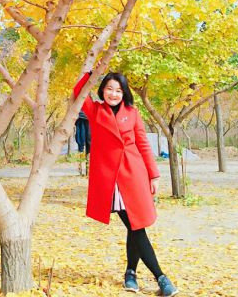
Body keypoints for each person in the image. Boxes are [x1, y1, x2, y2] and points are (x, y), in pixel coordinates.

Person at [73, 71, 178, 296]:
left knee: (135, 225)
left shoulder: (132, 113)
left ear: (124, 93)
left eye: (118, 90)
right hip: (109, 179)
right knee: (135, 226)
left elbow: (143, 144)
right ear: (102, 90)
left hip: (133, 174)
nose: (113, 94)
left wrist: (154, 175)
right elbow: (78, 92)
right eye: (109, 89)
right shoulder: (95, 110)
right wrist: (93, 71)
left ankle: (131, 274)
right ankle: (161, 277)